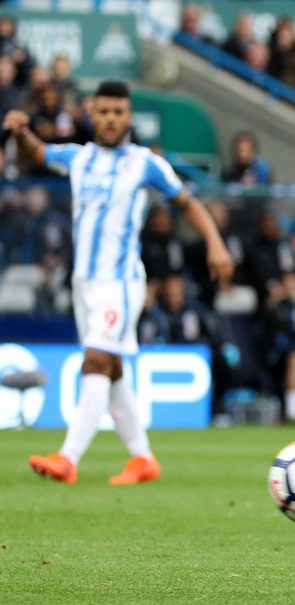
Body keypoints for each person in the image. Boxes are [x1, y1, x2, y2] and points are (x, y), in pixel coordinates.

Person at [3, 81, 233, 484]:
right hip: (84, 282)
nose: (110, 119)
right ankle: (142, 458)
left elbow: (188, 202)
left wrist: (215, 244)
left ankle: (68, 457)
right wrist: (22, 133)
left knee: (95, 360)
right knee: (112, 371)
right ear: (92, 114)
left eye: (118, 112)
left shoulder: (144, 163)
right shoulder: (78, 158)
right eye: (104, 111)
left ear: (128, 117)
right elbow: (35, 154)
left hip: (121, 281)